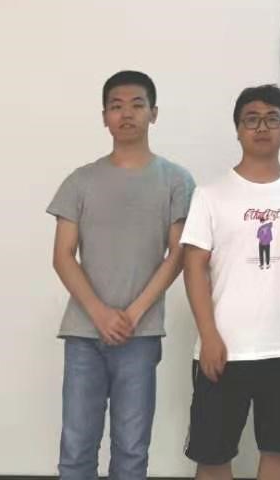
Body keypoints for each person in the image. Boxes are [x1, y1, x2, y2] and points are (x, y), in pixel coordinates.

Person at [48, 70, 194, 480]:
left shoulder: (176, 180)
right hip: (83, 333)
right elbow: (62, 256)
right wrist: (100, 314)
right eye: (116, 106)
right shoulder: (80, 180)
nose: (126, 114)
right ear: (104, 117)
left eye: (136, 105)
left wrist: (131, 314)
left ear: (153, 113)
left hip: (140, 334)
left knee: (131, 450)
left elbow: (178, 254)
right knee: (76, 448)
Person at [181, 85, 280, 480]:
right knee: (213, 456)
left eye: (272, 119)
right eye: (252, 119)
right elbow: (193, 266)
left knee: (279, 450)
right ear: (238, 129)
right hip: (222, 348)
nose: (262, 127)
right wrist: (208, 335)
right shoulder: (210, 194)